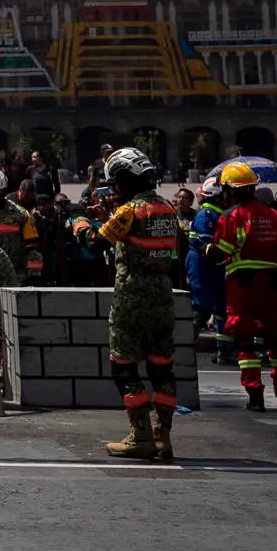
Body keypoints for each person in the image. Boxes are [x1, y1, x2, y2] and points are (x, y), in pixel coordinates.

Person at [82, 148, 181, 461]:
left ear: (126, 180)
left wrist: (81, 225)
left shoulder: (129, 210)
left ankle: (140, 436)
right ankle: (162, 437)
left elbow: (95, 244)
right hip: (163, 296)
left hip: (132, 296)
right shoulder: (167, 209)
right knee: (161, 368)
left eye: (115, 183)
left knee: (123, 367)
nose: (113, 188)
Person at [210, 162, 277, 408]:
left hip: (243, 285)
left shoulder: (232, 216)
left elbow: (220, 253)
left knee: (245, 341)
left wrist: (207, 248)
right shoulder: (275, 216)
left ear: (231, 190)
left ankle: (255, 395)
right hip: (272, 283)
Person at [186, 177, 231, 363]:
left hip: (216, 266)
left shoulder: (220, 214)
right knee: (202, 307)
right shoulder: (207, 215)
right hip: (202, 265)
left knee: (223, 308)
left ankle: (224, 351)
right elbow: (206, 244)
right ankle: (185, 346)